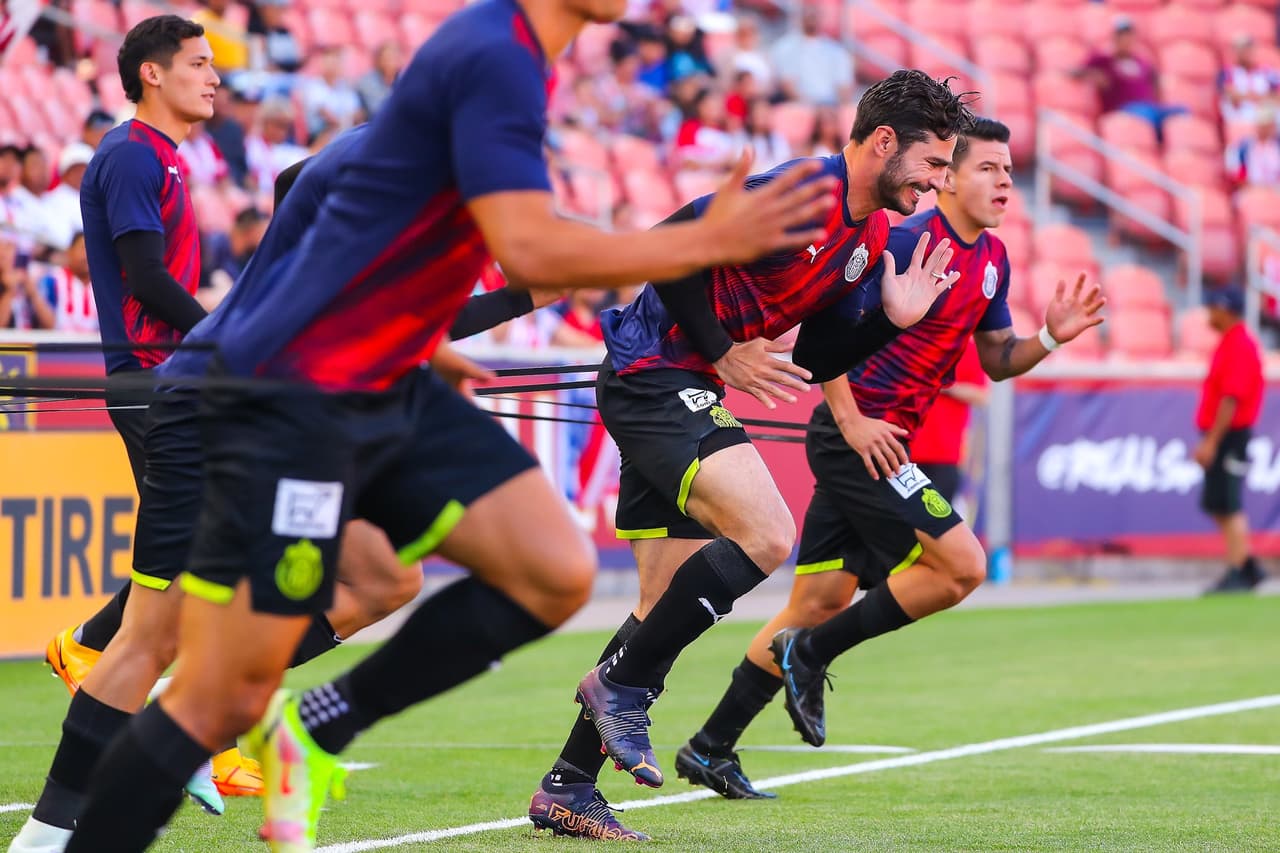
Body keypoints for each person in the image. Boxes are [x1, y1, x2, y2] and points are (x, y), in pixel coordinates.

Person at [60, 0, 842, 846]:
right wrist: (699, 242)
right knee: (215, 686)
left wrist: (422, 336)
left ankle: (315, 725)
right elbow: (532, 254)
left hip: (374, 377)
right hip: (291, 390)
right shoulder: (495, 53)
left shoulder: (517, 62)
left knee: (550, 570)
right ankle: (75, 828)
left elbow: (353, 211)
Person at [8, 124, 561, 853]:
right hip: (219, 406)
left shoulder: (375, 188)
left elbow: (383, 298)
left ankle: (214, 713)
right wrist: (525, 292)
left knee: (385, 578)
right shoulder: (380, 175)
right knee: (153, 631)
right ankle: (48, 833)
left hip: (301, 412)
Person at [527, 70, 971, 841]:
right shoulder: (799, 192)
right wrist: (723, 348)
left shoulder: (865, 237)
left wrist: (892, 321)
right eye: (935, 164)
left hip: (679, 378)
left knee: (657, 601)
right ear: (884, 142)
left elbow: (828, 346)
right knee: (766, 535)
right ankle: (623, 685)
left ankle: (568, 784)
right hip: (653, 372)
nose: (941, 182)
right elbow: (672, 244)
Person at [673, 119, 1105, 800]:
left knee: (817, 600)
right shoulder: (899, 239)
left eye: (1010, 173)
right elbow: (828, 332)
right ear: (949, 177)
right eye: (988, 169)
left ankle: (710, 746)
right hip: (860, 437)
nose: (1003, 184)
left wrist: (1051, 335)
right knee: (962, 565)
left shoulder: (993, 258)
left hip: (884, 440)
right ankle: (809, 654)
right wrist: (851, 418)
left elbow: (996, 360)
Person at [1196, 287, 1267, 593]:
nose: (1209, 313)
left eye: (1213, 307)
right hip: (1225, 435)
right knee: (1219, 503)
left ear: (1227, 311)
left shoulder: (1239, 344)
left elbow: (1231, 399)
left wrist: (1212, 442)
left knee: (1229, 503)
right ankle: (1247, 564)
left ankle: (1239, 569)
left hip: (1230, 436)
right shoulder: (1231, 342)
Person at [911, 337, 988, 506]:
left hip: (945, 455)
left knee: (937, 521)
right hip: (904, 453)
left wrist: (945, 386)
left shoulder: (968, 349)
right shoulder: (911, 342)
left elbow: (982, 395)